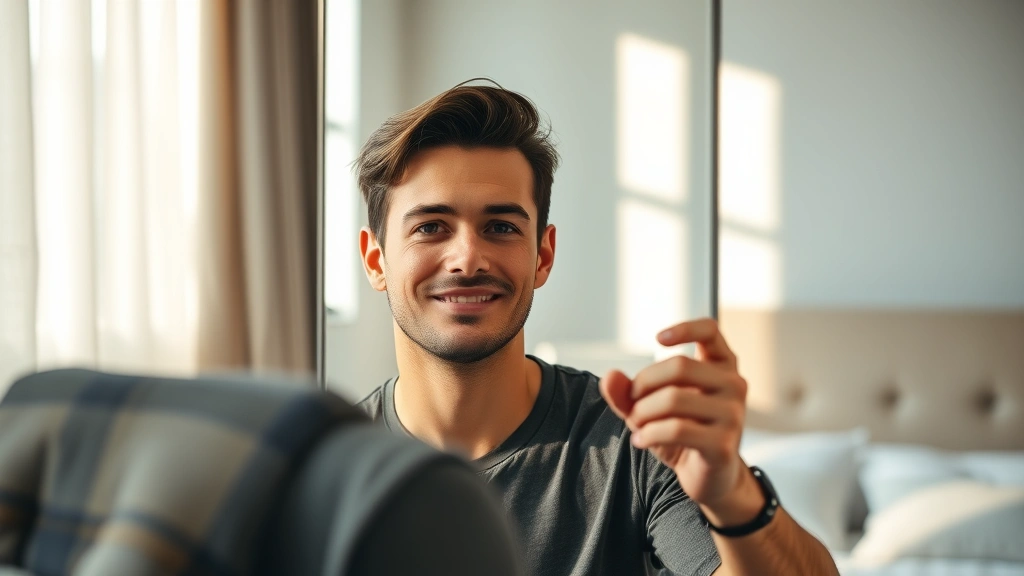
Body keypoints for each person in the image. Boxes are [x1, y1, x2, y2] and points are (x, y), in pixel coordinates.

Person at [354, 81, 840, 576]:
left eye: (501, 227)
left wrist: (734, 492)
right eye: (431, 227)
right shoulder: (326, 472)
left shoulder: (636, 445)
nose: (467, 259)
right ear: (376, 261)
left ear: (543, 255)